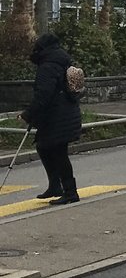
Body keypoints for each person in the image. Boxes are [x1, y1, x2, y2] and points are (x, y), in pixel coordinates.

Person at [20, 33, 82, 205]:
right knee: (44, 146)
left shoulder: (48, 66)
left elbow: (44, 95)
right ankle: (56, 186)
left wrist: (28, 114)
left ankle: (70, 192)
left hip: (57, 115)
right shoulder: (62, 61)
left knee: (58, 152)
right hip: (65, 112)